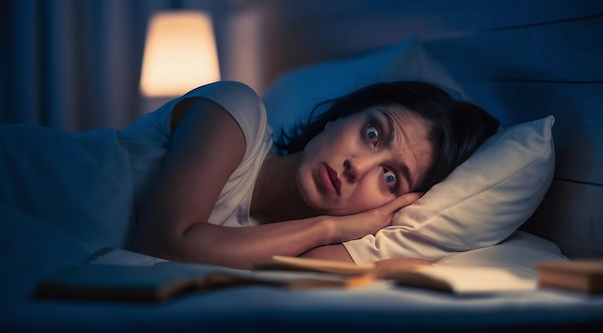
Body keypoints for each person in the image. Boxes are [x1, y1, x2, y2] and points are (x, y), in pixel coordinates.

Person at [126, 80, 499, 270]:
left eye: (389, 177)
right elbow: (160, 246)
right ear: (337, 118)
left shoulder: (299, 251)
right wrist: (329, 227)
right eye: (372, 133)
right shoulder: (234, 114)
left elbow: (298, 278)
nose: (358, 167)